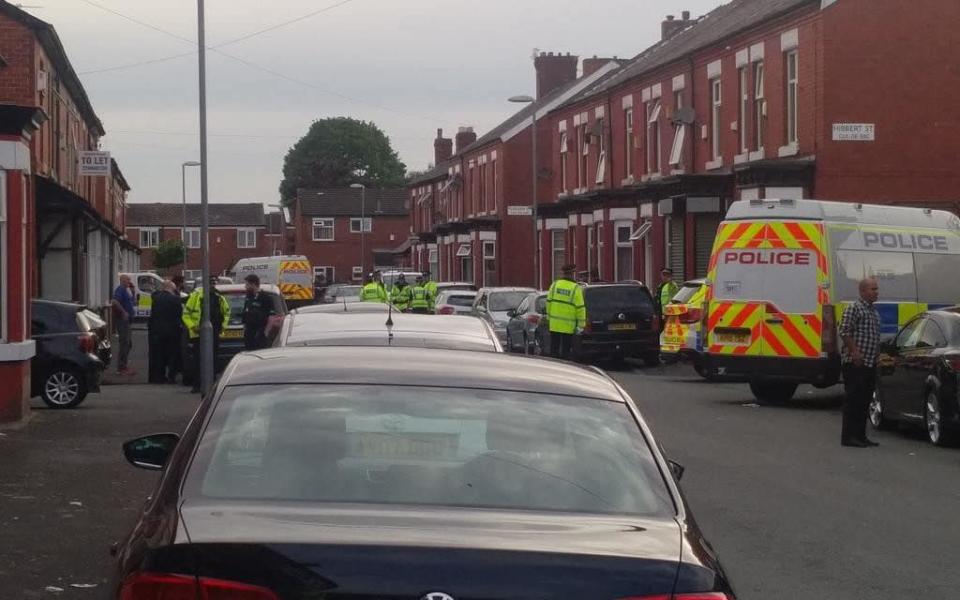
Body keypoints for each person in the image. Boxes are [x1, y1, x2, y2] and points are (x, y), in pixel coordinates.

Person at [838, 278, 882, 448]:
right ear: (863, 291)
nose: (876, 292)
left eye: (877, 289)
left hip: (870, 362)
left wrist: (878, 355)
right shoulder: (854, 308)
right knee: (853, 400)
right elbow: (844, 331)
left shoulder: (873, 312)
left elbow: (874, 337)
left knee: (864, 400)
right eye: (873, 289)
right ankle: (849, 437)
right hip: (855, 362)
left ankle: (860, 435)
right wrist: (854, 351)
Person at [182, 276, 231, 393]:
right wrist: (193, 326)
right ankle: (197, 385)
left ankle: (212, 385)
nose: (213, 286)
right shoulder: (196, 296)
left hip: (214, 333)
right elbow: (186, 314)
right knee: (198, 360)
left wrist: (222, 328)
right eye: (211, 283)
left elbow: (227, 312)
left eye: (214, 284)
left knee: (213, 360)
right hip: (198, 334)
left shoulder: (219, 297)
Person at [546, 264, 586, 360]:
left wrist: (549, 318)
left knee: (554, 350)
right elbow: (580, 308)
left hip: (554, 325)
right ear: (572, 274)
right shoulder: (576, 288)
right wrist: (581, 325)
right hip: (568, 326)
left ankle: (553, 369)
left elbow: (548, 302)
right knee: (566, 351)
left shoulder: (555, 285)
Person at [147, 280, 183, 383]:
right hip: (172, 331)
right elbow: (178, 315)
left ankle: (158, 377)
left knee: (158, 355)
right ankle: (171, 377)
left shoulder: (156, 298)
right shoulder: (175, 300)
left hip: (157, 331)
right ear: (172, 288)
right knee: (172, 355)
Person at [111, 274, 136, 376]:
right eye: (127, 279)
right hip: (122, 320)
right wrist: (123, 312)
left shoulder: (126, 291)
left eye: (129, 279)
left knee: (128, 343)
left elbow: (132, 303)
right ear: (122, 280)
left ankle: (124, 365)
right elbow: (115, 301)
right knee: (124, 343)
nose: (129, 281)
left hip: (127, 321)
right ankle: (121, 368)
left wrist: (133, 292)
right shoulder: (120, 289)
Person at [241, 274, 275, 351]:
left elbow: (271, 317)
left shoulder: (265, 298)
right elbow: (246, 313)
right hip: (249, 334)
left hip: (259, 333)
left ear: (253, 284)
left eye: (247, 284)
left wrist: (266, 333)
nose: (245, 287)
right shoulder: (249, 297)